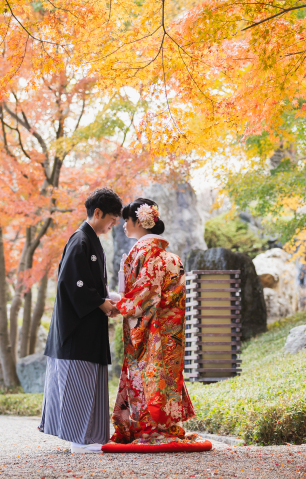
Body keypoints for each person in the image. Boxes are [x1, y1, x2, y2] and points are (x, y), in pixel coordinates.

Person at [40, 188, 122, 454]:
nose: (112, 226)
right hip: (77, 330)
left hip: (87, 326)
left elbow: (91, 285)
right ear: (97, 213)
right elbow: (73, 284)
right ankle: (79, 439)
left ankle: (88, 437)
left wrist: (106, 301)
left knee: (88, 383)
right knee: (79, 383)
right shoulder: (80, 240)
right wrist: (102, 303)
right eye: (111, 220)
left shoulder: (90, 240)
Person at [110, 198, 196, 446]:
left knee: (148, 374)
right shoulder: (172, 257)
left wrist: (118, 306)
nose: (124, 225)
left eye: (126, 220)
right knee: (167, 374)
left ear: (138, 221)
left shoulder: (144, 253)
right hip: (172, 329)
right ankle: (166, 425)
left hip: (150, 329)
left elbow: (145, 294)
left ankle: (147, 429)